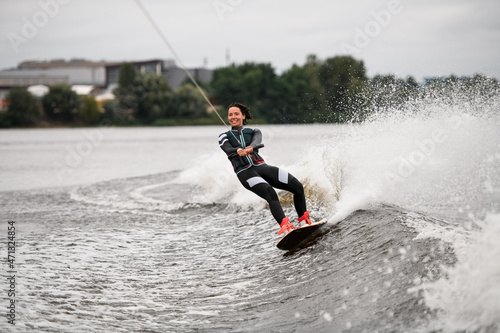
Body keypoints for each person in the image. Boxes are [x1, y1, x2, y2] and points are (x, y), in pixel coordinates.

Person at [218, 102, 312, 237]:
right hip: (245, 173)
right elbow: (227, 148)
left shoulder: (254, 131)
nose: (233, 117)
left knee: (297, 186)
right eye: (230, 115)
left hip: (262, 167)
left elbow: (257, 141)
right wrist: (238, 150)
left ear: (243, 116)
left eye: (236, 114)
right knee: (271, 193)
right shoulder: (223, 136)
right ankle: (286, 227)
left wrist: (251, 147)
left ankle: (304, 222)